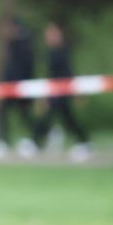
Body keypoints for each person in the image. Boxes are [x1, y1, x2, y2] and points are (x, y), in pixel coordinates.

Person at [34, 21, 91, 163]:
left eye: (52, 34)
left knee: (63, 117)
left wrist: (76, 91)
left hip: (63, 91)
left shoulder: (62, 52)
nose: (48, 37)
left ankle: (36, 141)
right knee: (64, 117)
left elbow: (69, 73)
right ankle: (83, 142)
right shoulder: (52, 53)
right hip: (56, 91)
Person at [0, 16, 39, 160]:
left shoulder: (22, 44)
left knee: (22, 114)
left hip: (19, 87)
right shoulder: (16, 43)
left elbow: (23, 68)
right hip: (14, 87)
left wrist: (16, 84)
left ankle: (35, 137)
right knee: (12, 113)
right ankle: (4, 140)